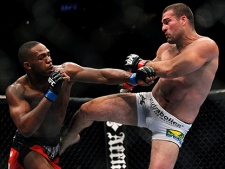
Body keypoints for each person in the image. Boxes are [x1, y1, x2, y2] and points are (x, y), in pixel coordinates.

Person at [59, 3, 219, 169]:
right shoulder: (165, 48)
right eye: (162, 23)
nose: (163, 28)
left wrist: (141, 63)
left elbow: (171, 69)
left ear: (183, 19)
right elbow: (150, 73)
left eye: (167, 22)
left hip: (172, 124)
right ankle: (65, 142)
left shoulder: (206, 46)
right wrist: (132, 82)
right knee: (86, 110)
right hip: (148, 104)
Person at [6, 41, 155, 169]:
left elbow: (102, 75)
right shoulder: (17, 90)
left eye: (48, 54)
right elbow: (25, 129)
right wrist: (51, 94)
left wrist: (133, 78)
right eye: (41, 57)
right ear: (28, 65)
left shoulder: (66, 71)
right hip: (29, 147)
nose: (49, 60)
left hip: (55, 145)